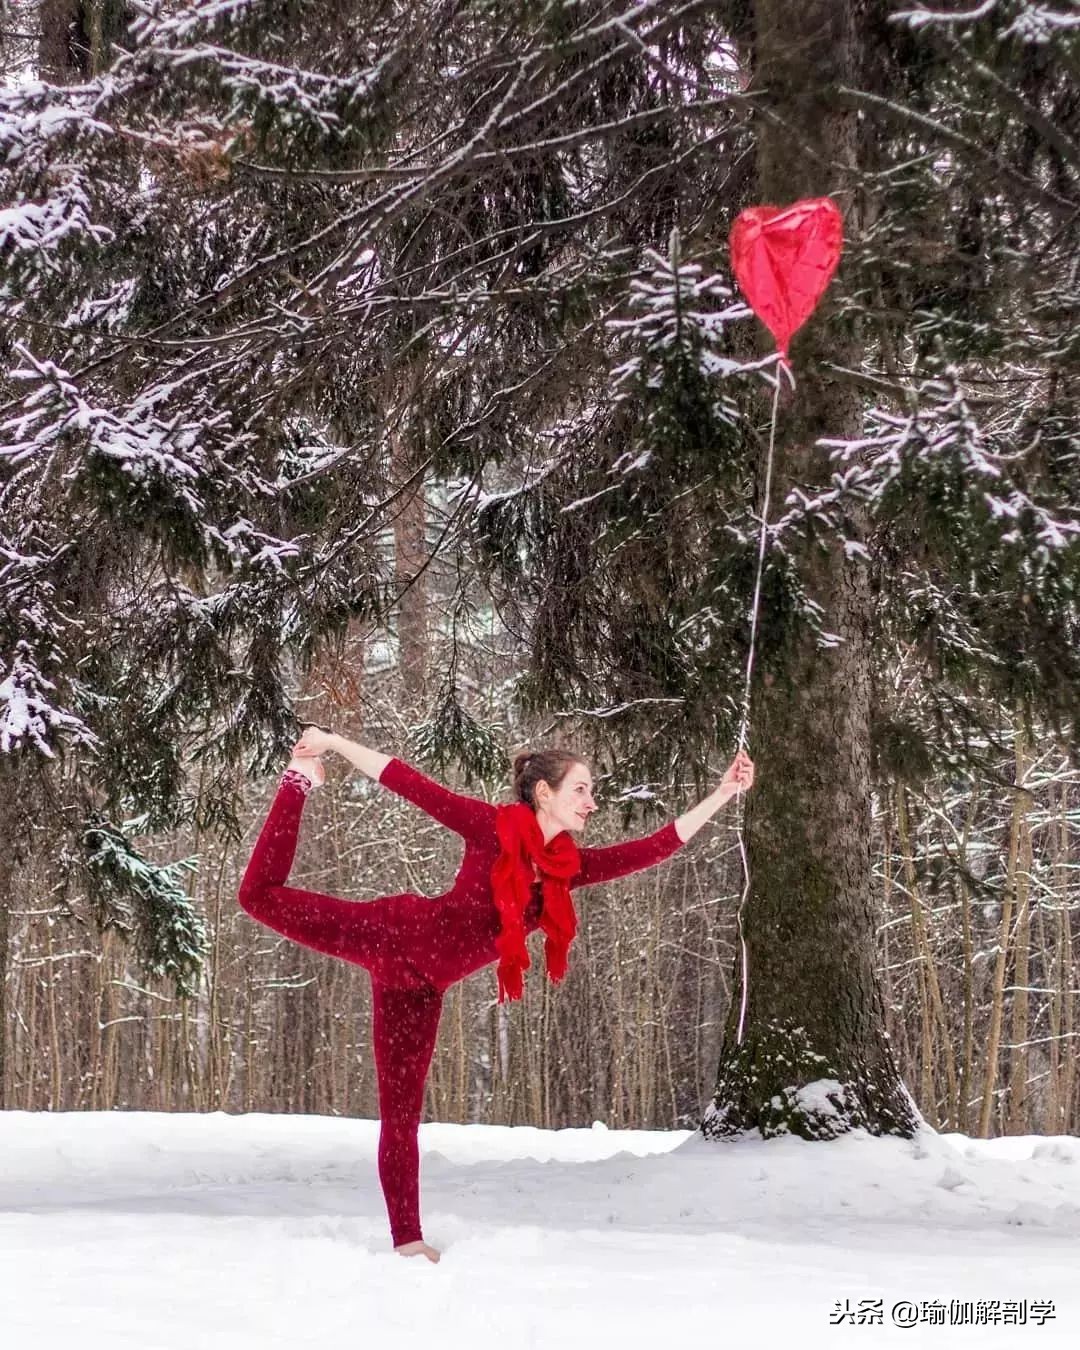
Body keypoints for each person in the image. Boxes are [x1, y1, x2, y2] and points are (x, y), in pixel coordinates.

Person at [237, 728, 755, 1264]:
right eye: (581, 789)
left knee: (401, 1117)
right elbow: (406, 781)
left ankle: (408, 1239)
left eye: (591, 791)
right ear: (544, 794)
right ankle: (299, 779)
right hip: (389, 933)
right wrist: (332, 744)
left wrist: (721, 793)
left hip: (419, 991)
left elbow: (652, 849)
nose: (591, 802)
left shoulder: (564, 870)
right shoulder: (489, 828)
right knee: (257, 896)